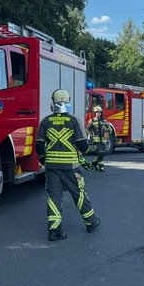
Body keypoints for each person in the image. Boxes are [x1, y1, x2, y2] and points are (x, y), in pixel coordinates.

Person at [35, 89, 101, 241]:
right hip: (71, 168)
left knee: (54, 198)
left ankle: (55, 230)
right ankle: (91, 222)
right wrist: (84, 150)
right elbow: (82, 145)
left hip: (52, 168)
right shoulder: (73, 121)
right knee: (79, 195)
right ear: (68, 101)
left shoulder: (45, 122)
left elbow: (39, 146)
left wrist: (44, 160)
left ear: (53, 102)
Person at [86, 105, 110, 172]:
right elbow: (88, 129)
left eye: (99, 112)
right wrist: (86, 138)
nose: (98, 114)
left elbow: (109, 130)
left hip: (103, 140)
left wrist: (107, 126)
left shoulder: (103, 121)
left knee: (103, 153)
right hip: (96, 141)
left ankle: (94, 163)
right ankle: (101, 167)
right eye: (97, 112)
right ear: (95, 113)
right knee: (100, 153)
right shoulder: (92, 121)